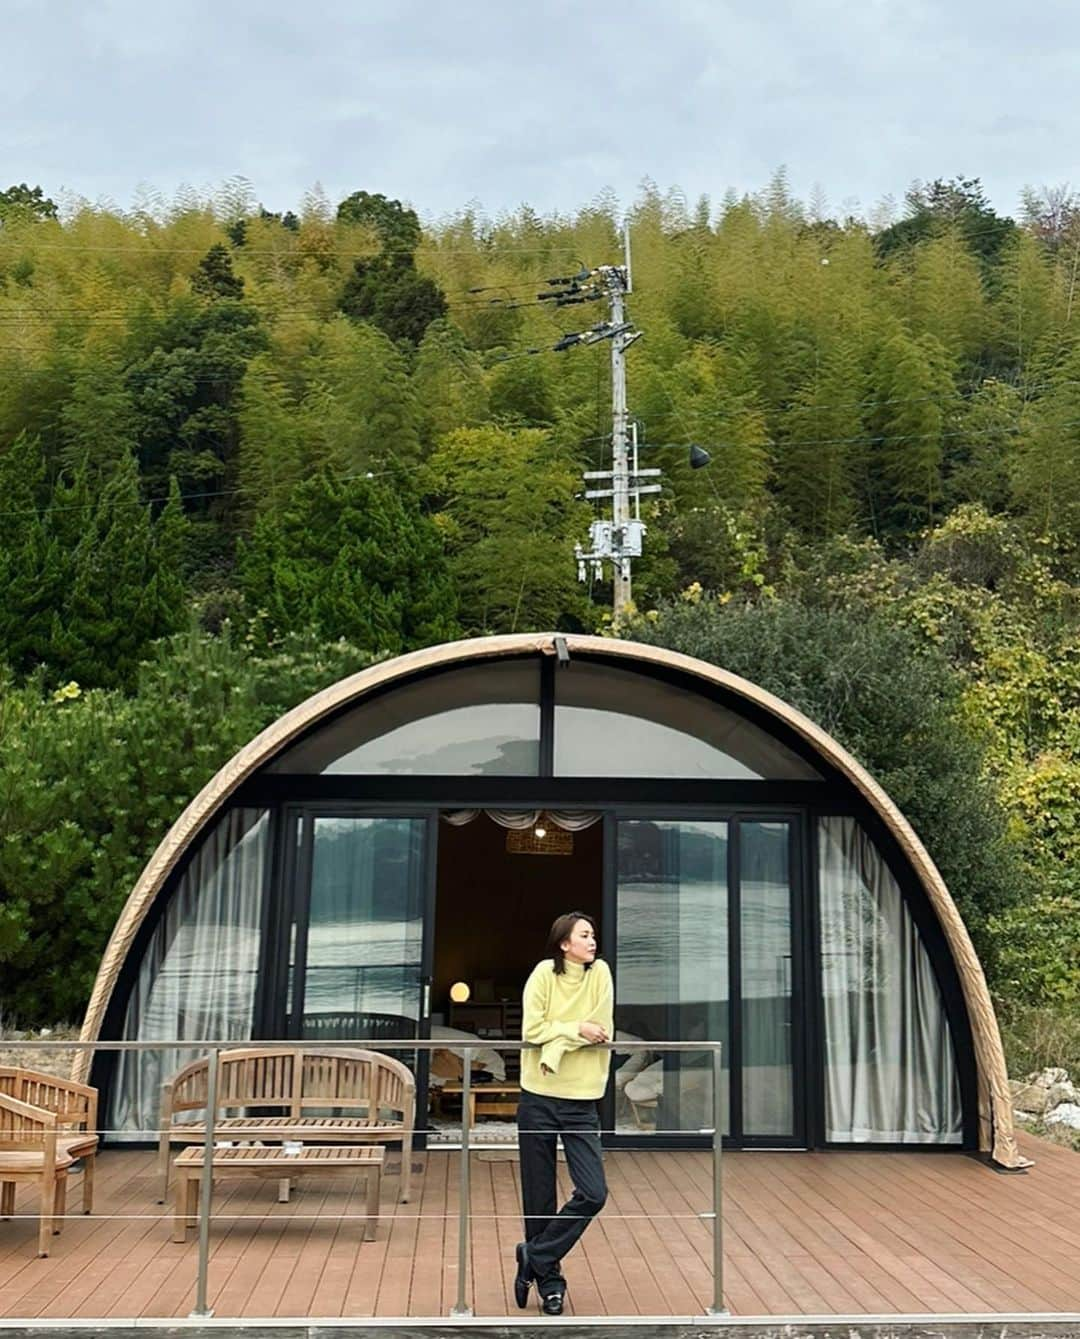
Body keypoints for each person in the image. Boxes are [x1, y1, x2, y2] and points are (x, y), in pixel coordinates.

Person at [514, 911, 613, 1316]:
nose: (593, 941)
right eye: (584, 935)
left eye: (593, 935)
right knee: (538, 1197)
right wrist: (574, 1031)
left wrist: (555, 1046)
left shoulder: (600, 974)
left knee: (593, 1192)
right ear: (564, 944)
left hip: (581, 1099)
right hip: (537, 1095)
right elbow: (531, 1031)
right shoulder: (542, 974)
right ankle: (550, 1284)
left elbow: (601, 1028)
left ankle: (533, 1255)